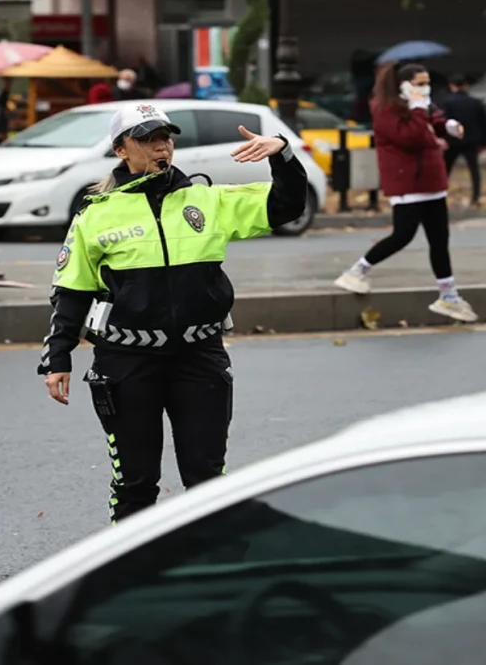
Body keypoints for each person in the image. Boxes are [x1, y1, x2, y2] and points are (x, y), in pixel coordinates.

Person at [37, 103, 309, 524]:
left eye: (166, 137)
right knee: (135, 482)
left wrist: (282, 154)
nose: (161, 146)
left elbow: (285, 206)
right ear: (121, 150)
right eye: (147, 138)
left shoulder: (207, 199)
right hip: (126, 363)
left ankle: (205, 572)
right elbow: (71, 290)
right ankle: (130, 575)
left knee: (207, 479)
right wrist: (57, 358)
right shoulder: (95, 214)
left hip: (199, 358)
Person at [333, 63, 477, 322]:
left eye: (427, 82)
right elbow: (410, 137)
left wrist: (449, 126)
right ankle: (356, 272)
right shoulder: (385, 108)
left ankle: (449, 296)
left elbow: (434, 120)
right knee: (403, 235)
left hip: (431, 180)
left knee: (439, 238)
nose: (425, 87)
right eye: (419, 83)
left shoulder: (421, 104)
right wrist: (421, 113)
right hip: (408, 181)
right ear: (403, 84)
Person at [439, 74, 486, 204]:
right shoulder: (475, 102)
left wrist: (442, 139)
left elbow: (443, 122)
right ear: (466, 85)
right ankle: (475, 195)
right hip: (471, 140)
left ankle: (441, 194)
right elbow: (483, 123)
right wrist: (484, 142)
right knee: (474, 169)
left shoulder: (447, 103)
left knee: (446, 169)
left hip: (453, 140)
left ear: (451, 86)